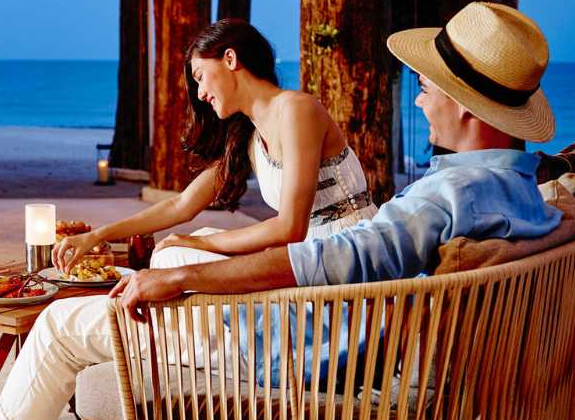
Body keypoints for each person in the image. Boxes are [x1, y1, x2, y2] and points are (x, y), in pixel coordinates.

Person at [0, 1, 562, 420]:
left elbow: (314, 253)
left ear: (466, 108)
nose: (419, 97)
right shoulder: (518, 190)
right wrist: (127, 239)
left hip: (312, 341)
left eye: (428, 87)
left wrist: (184, 276)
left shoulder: (436, 198)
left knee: (60, 321)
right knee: (167, 264)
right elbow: (187, 207)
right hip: (349, 324)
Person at [53, 18, 376, 279]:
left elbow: (290, 226)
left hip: (349, 258)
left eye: (200, 76)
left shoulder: (296, 109)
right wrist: (97, 235)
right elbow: (181, 205)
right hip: (305, 258)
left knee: (179, 254)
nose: (201, 93)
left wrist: (199, 241)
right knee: (173, 253)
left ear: (230, 58)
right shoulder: (250, 139)